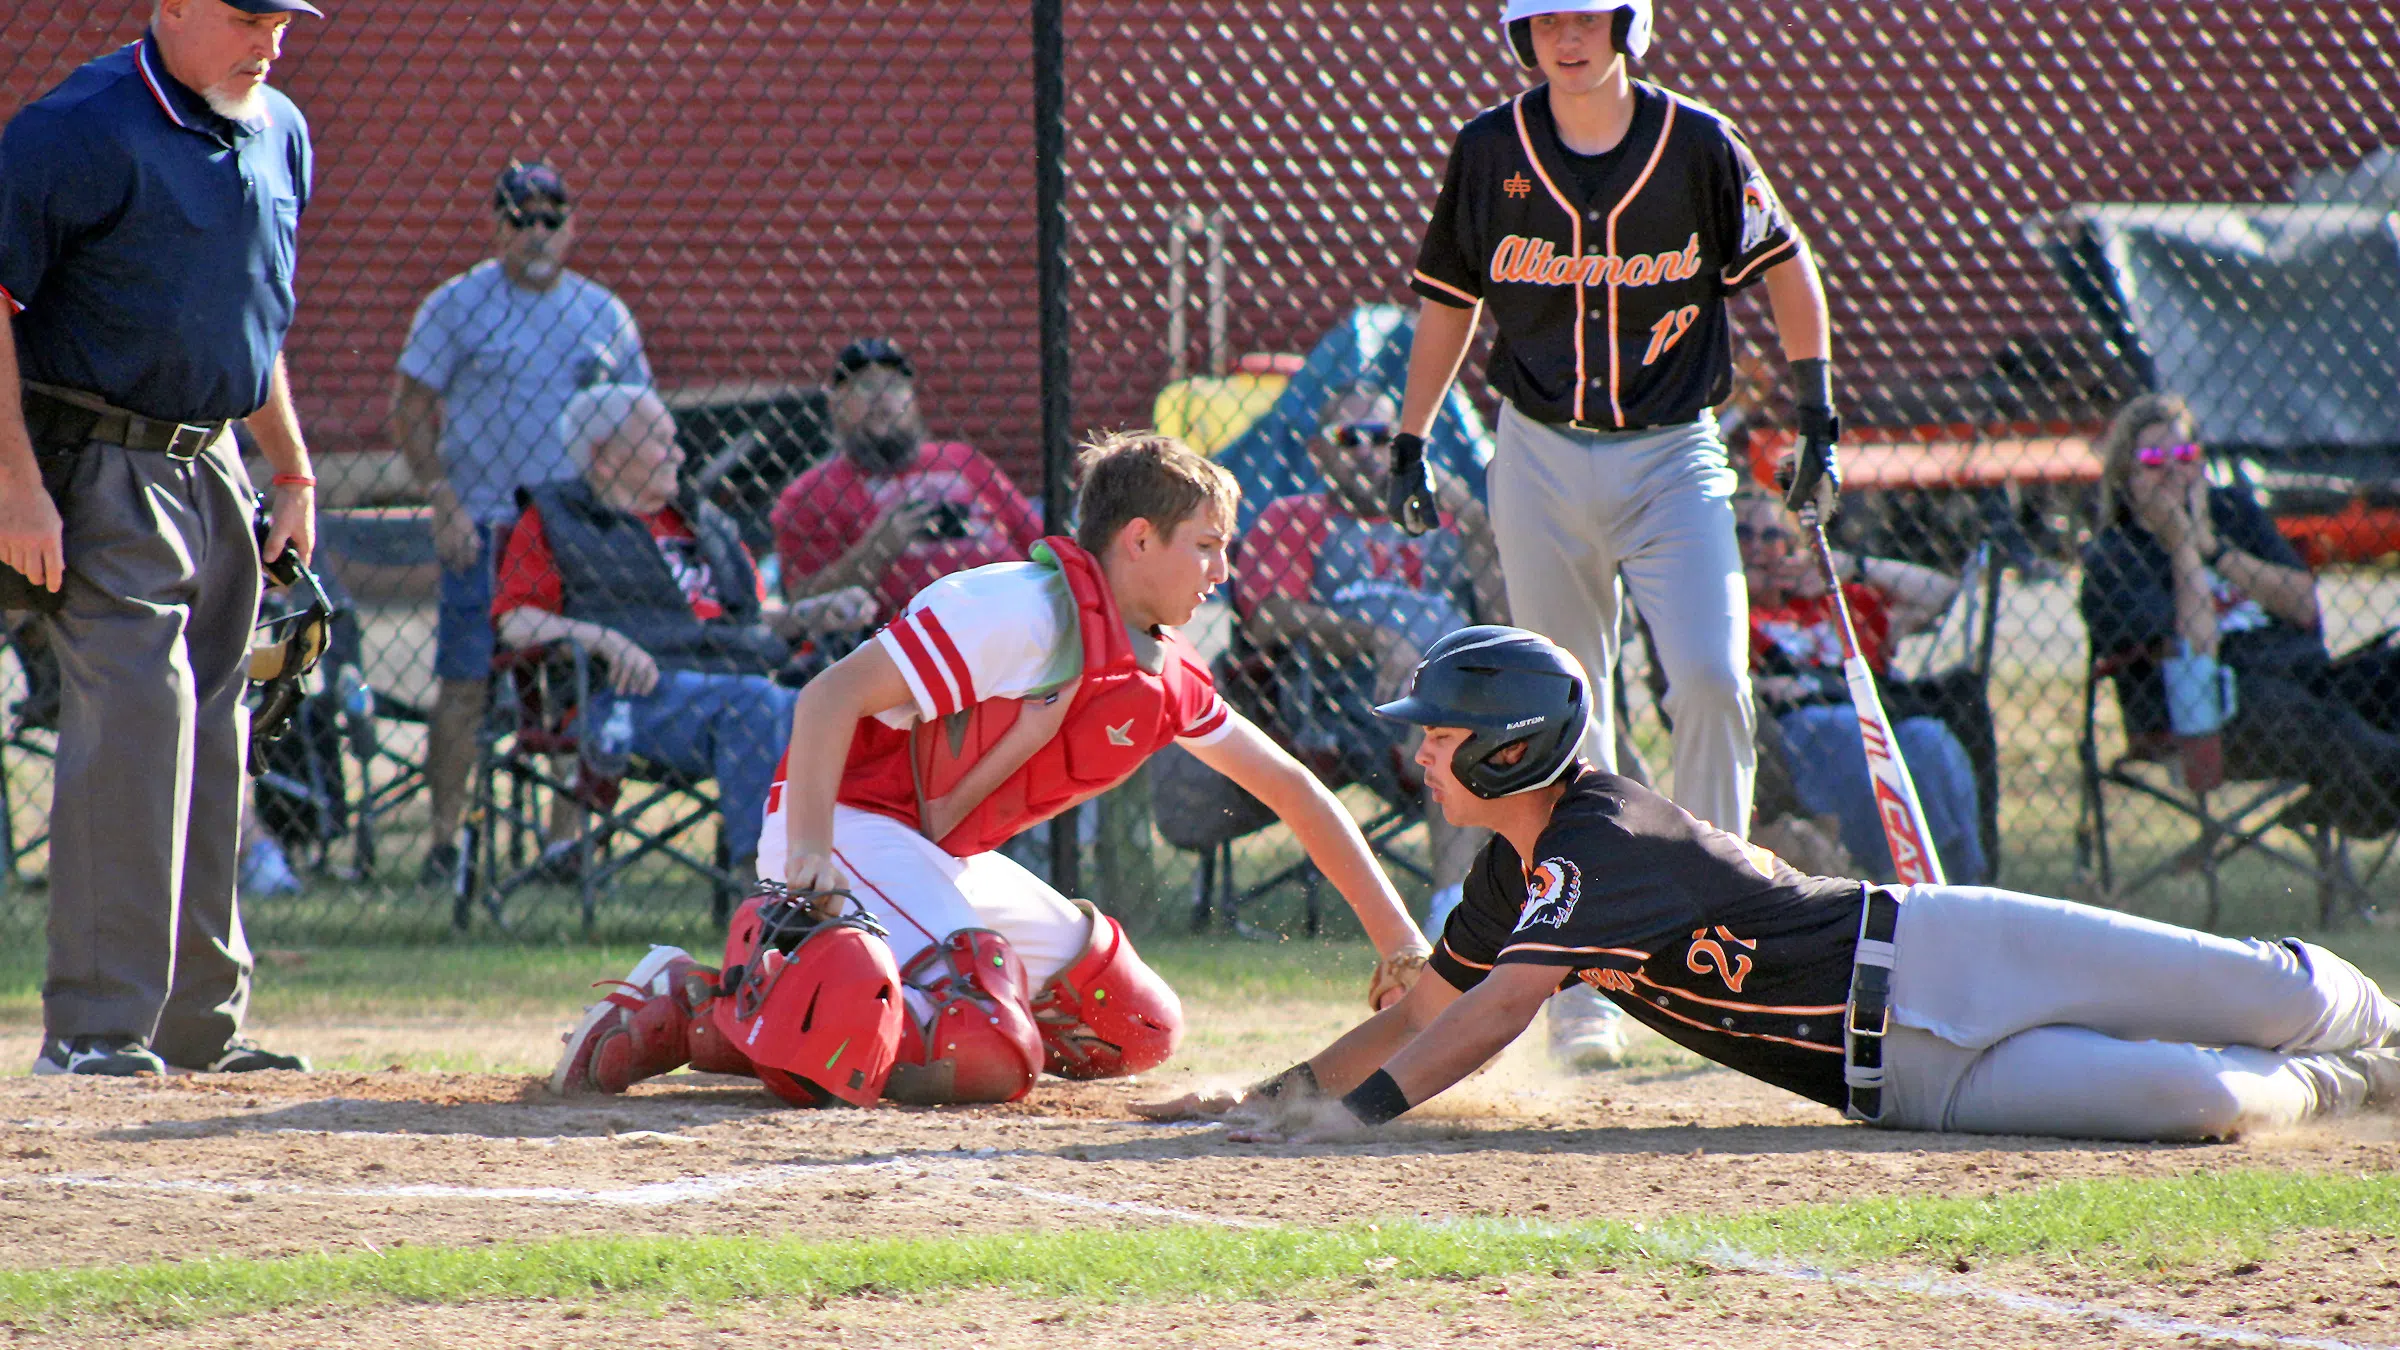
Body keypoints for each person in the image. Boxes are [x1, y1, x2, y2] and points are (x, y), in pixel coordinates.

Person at [1138, 627, 2400, 1144]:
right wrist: (1269, 1096)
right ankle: (2363, 1080)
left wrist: (1349, 1122)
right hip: (1899, 1082)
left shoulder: (1600, 831)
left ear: (1511, 745)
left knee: (2253, 991)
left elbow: (1486, 1019)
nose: (1419, 751)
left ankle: (2373, 1021)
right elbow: (1423, 1008)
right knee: (2198, 1101)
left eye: (1440, 732)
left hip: (1940, 954)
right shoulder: (1505, 876)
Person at [554, 432, 1433, 1106]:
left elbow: (1296, 793)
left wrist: (1400, 943)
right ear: (1137, 540)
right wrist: (812, 853)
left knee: (1136, 1027)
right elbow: (825, 699)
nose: (1222, 570)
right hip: (846, 823)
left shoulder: (1164, 672)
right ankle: (703, 1001)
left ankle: (810, 1008)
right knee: (983, 1040)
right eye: (1205, 545)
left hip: (936, 857)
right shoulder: (1012, 607)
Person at [1385, 0, 1840, 854]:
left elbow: (1787, 266)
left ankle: (1717, 902)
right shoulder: (1489, 150)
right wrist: (1411, 440)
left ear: (1628, 24)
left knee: (1710, 678)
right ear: (1521, 33)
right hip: (1538, 452)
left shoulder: (1697, 142)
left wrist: (1819, 420)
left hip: (1673, 452)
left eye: (1588, 19)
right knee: (1563, 700)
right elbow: (1449, 300)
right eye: (1548, 19)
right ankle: (1589, 933)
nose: (1567, 38)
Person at [0, 0, 323, 1077]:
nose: (269, 38)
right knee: (143, 714)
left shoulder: (278, 126)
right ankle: (95, 1026)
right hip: (95, 460)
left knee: (216, 729)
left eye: (281, 16)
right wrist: (19, 490)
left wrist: (294, 466)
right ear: (170, 7)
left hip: (219, 462)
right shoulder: (79, 126)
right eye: (244, 15)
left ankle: (197, 1026)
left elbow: (250, 316)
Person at [1239, 382, 1624, 1068]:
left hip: (1450, 711)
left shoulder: (1442, 521)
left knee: (1493, 742)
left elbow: (1512, 609)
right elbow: (1268, 616)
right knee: (1450, 738)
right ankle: (1462, 940)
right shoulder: (1296, 516)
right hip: (1341, 704)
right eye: (1347, 440)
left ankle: (1521, 935)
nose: (1364, 454)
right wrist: (1373, 640)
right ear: (1317, 453)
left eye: (1380, 439)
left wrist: (1469, 515)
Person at [490, 385, 874, 881]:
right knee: (760, 704)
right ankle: (766, 885)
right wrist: (603, 639)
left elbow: (748, 621)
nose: (680, 454)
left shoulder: (703, 522)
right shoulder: (558, 519)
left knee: (814, 703)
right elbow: (515, 621)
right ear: (605, 458)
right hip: (626, 698)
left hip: (731, 682)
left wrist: (813, 612)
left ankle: (837, 875)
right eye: (661, 441)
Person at [392, 161, 652, 889]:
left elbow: (637, 421)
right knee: (466, 683)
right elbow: (410, 408)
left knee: (578, 686)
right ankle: (446, 845)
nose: (536, 232)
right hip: (486, 528)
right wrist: (441, 499)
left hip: (576, 532)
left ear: (571, 226)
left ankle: (562, 848)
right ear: (497, 226)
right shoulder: (458, 306)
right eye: (520, 218)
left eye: (551, 218)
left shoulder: (603, 314)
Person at [2081, 393, 2400, 836]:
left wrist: (2216, 549)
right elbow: (2196, 649)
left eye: (2186, 455)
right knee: (2328, 726)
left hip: (2304, 681)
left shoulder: (2233, 513)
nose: (2174, 470)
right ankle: (2367, 786)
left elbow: (2303, 604)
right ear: (2125, 479)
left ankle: (2353, 795)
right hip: (2215, 715)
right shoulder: (2114, 558)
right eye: (2154, 459)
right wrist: (2182, 549)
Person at [1739, 493, 1988, 883]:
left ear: (1791, 545)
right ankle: (1899, 880)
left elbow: (1942, 596)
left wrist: (1852, 568)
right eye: (1742, 534)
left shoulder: (1839, 602)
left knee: (1929, 739)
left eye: (1770, 535)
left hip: (1879, 714)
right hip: (1803, 726)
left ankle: (1958, 888)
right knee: (1844, 730)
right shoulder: (1735, 617)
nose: (1756, 547)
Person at [770, 338, 1042, 622]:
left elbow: (1038, 541)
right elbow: (801, 603)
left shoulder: (964, 460)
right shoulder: (812, 493)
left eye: (895, 386)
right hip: (905, 641)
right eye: (865, 387)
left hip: (1012, 616)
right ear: (835, 403)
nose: (882, 397)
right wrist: (877, 548)